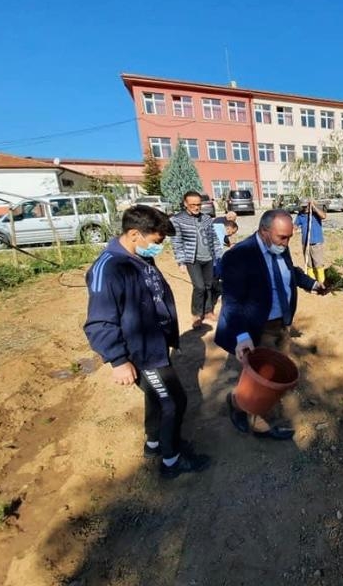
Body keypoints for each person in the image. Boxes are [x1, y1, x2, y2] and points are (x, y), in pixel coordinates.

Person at [83, 205, 210, 479]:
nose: (158, 248)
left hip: (155, 345)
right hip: (141, 352)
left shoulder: (138, 257)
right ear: (134, 235)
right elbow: (99, 322)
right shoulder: (109, 268)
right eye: (156, 242)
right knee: (174, 400)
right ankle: (171, 461)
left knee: (157, 396)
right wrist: (118, 360)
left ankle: (155, 444)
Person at [215, 209, 326, 441]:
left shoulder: (280, 248)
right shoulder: (239, 256)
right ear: (264, 231)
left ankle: (238, 402)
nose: (286, 243)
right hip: (257, 328)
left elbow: (289, 273)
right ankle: (259, 422)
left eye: (289, 238)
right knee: (266, 380)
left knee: (274, 375)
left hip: (281, 325)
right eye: (281, 238)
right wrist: (243, 336)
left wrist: (311, 283)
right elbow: (232, 302)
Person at [170, 191, 223, 328]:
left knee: (209, 285)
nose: (196, 207)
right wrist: (181, 261)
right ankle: (197, 314)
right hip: (192, 259)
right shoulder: (177, 220)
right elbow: (177, 242)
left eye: (198, 204)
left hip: (209, 257)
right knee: (199, 287)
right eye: (193, 204)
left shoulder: (206, 218)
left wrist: (218, 255)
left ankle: (208, 311)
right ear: (185, 204)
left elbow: (214, 238)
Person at [294, 198, 327, 284]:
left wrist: (314, 207)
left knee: (318, 264)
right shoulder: (300, 215)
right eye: (303, 207)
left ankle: (321, 283)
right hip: (305, 243)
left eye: (307, 206)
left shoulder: (315, 213)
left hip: (316, 243)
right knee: (309, 265)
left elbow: (324, 216)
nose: (305, 208)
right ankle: (311, 283)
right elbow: (295, 226)